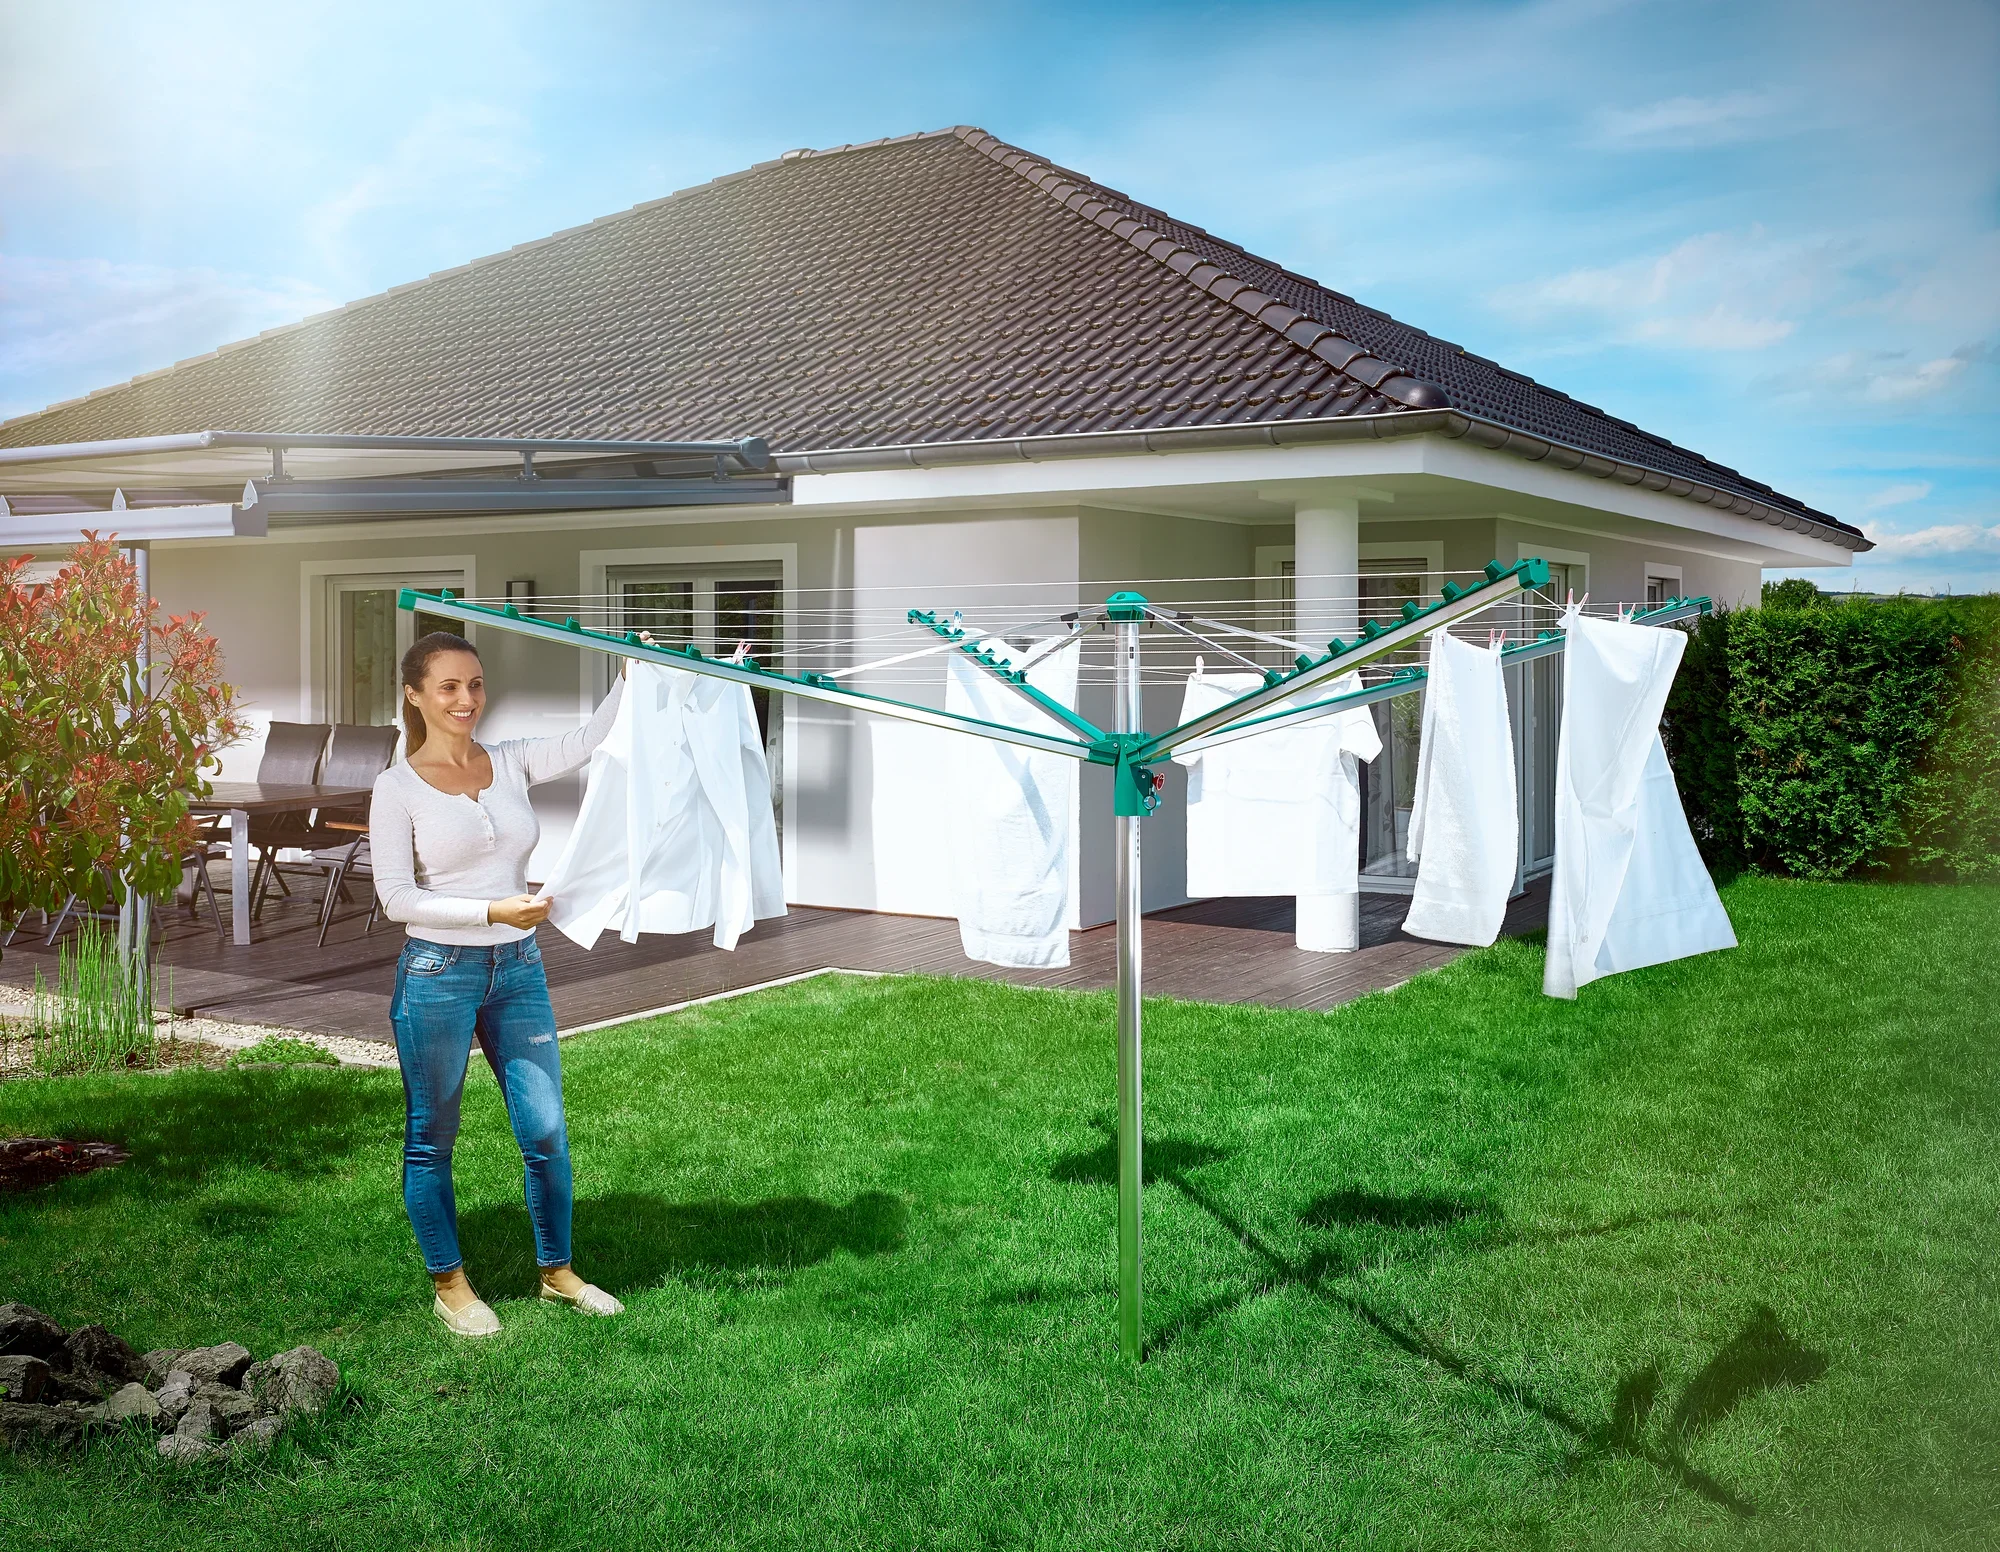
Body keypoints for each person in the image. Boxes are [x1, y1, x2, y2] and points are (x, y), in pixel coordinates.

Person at [370, 630, 628, 1337]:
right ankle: (450, 1286)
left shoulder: (509, 762)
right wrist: (490, 909)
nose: (465, 699)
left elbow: (592, 736)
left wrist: (639, 673)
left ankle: (557, 1274)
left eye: (476, 684)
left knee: (545, 1131)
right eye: (449, 686)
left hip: (518, 970)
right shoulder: (395, 788)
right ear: (416, 695)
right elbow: (395, 897)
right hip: (437, 975)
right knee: (432, 1138)